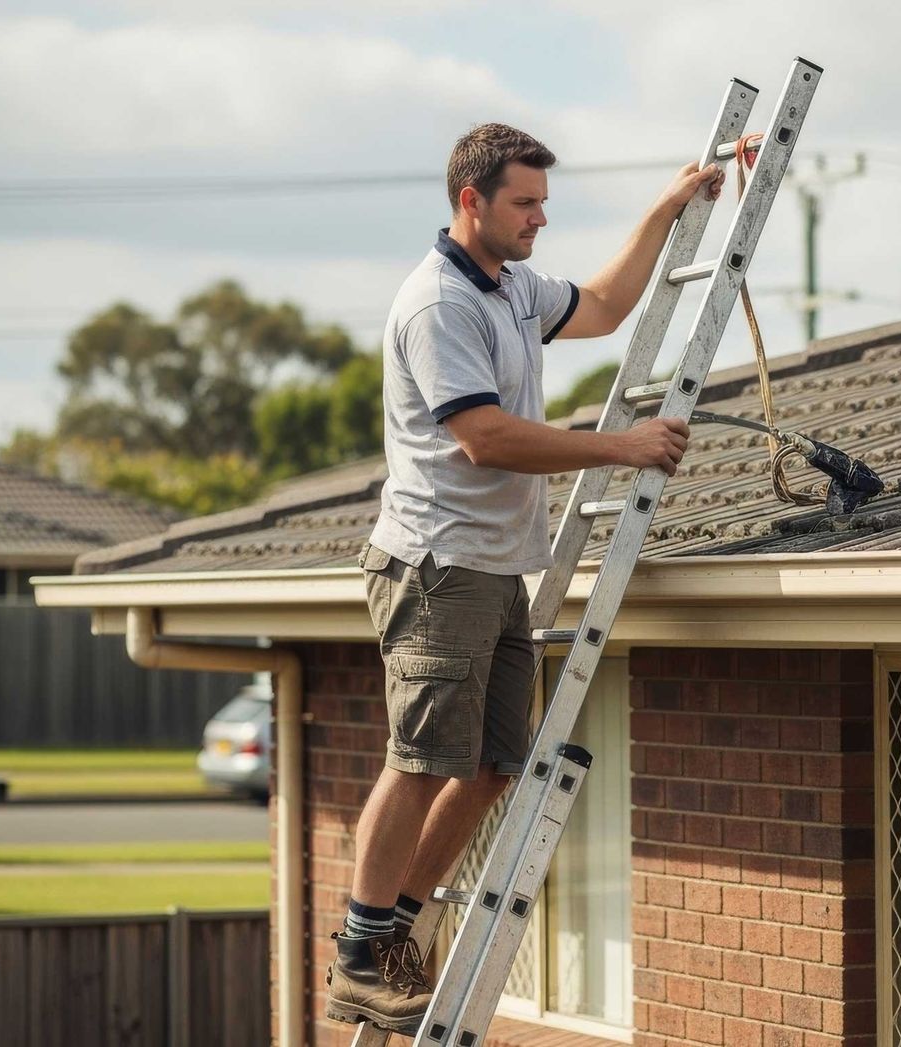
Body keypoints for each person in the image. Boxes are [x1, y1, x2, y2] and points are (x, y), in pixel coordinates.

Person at [324, 123, 722, 1034]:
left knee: (497, 764)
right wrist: (621, 446)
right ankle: (357, 956)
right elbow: (485, 437)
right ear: (472, 201)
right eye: (525, 203)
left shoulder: (509, 289)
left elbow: (611, 306)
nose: (540, 218)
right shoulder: (438, 305)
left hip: (496, 567)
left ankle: (393, 931)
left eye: (544, 202)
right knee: (420, 763)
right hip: (438, 567)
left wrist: (669, 206)